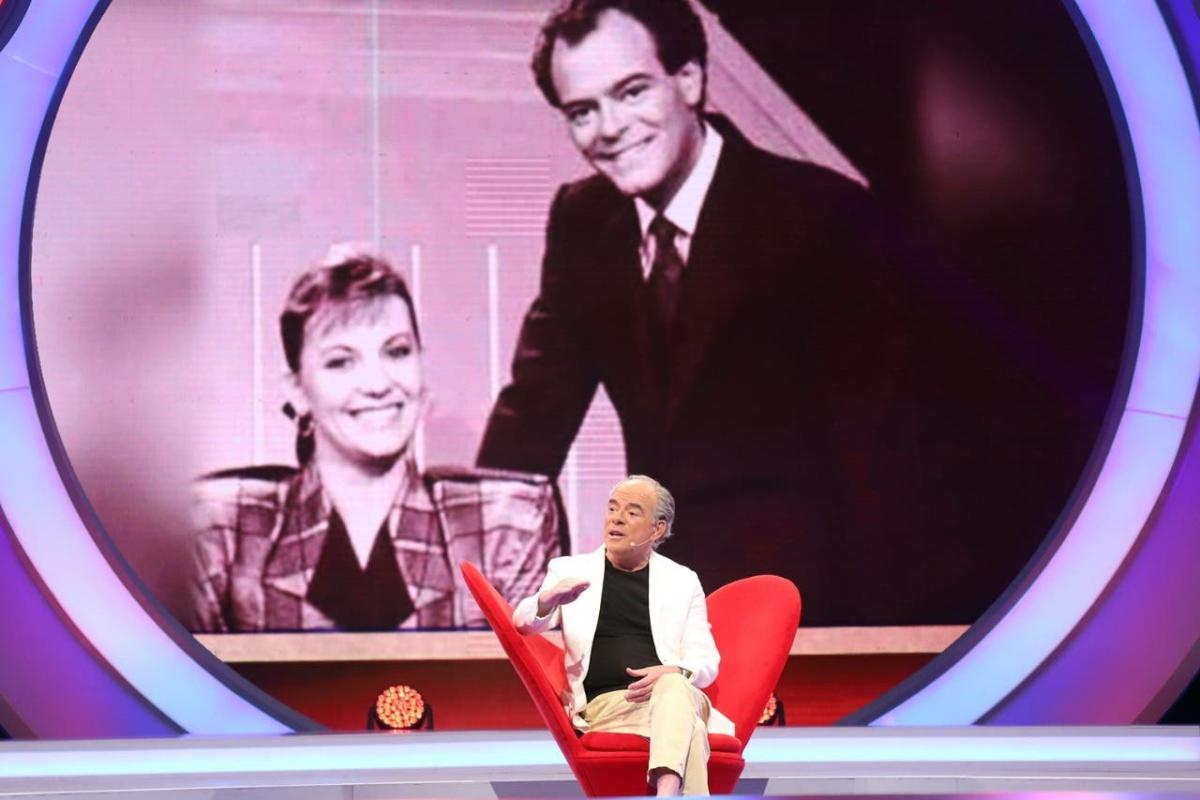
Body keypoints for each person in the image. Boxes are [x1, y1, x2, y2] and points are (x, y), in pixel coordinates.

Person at [479, 0, 911, 624]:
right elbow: (531, 416)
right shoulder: (582, 222)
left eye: (631, 92)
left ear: (689, 79)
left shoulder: (823, 216)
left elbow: (875, 459)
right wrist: (471, 558)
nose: (609, 128)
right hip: (661, 608)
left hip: (808, 607)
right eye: (582, 111)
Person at [192, 246, 562, 632]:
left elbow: (532, 670)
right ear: (298, 391)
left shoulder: (509, 521)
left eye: (397, 352)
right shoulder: (219, 527)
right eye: (341, 362)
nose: (378, 383)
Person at [514, 475, 731, 796]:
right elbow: (522, 623)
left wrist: (675, 671)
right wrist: (548, 599)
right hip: (608, 706)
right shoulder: (570, 570)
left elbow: (706, 660)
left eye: (631, 512)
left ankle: (666, 792)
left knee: (673, 684)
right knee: (693, 731)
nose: (616, 518)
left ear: (657, 529)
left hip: (674, 698)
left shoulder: (682, 581)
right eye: (612, 508)